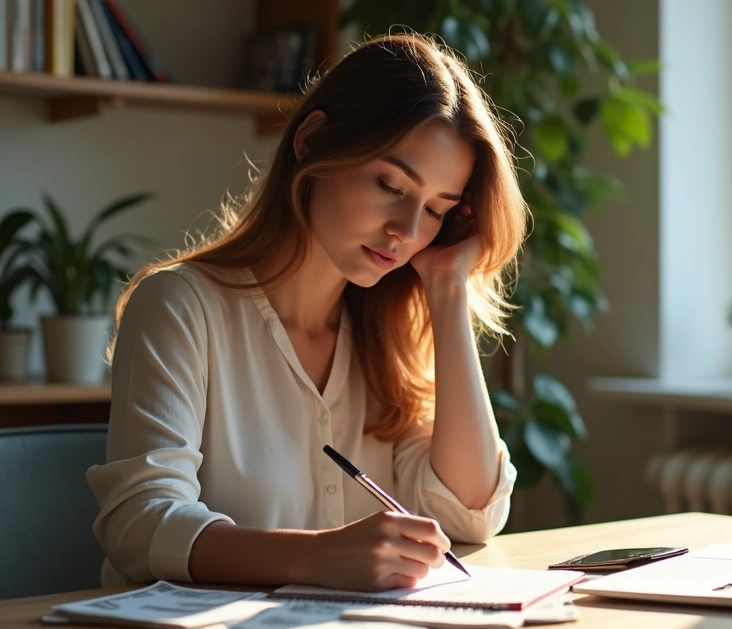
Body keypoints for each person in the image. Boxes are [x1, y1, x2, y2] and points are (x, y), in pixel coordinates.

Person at [86, 33, 528, 593]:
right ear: (313, 140)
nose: (409, 232)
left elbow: (470, 513)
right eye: (390, 185)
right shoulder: (180, 305)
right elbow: (139, 524)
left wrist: (447, 289)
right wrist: (314, 557)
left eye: (437, 211)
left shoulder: (388, 335)